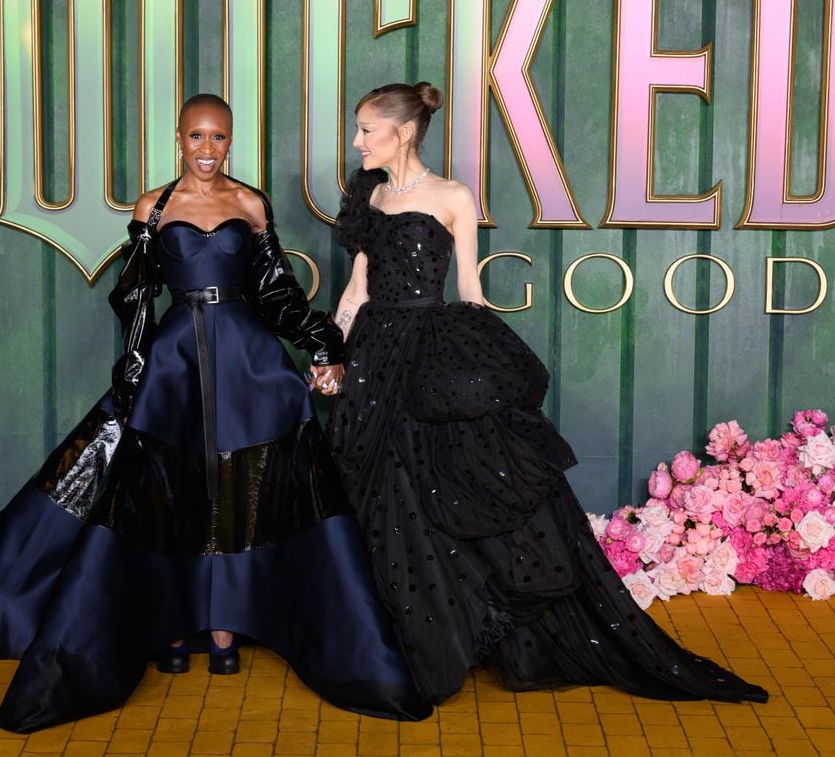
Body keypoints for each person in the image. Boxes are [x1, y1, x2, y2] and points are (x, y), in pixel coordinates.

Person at [0, 93, 431, 732]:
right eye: (197, 137)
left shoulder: (251, 203)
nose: (207, 150)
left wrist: (322, 340)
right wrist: (134, 368)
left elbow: (276, 293)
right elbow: (138, 295)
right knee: (166, 489)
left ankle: (226, 629)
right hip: (174, 361)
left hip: (247, 360)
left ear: (232, 141)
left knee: (242, 484)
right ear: (179, 138)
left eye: (219, 138)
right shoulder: (154, 206)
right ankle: (172, 623)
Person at [328, 81, 768, 706]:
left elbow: (472, 290)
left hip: (429, 356)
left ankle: (460, 634)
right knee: (387, 495)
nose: (356, 141)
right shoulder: (369, 195)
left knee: (452, 485)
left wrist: (483, 367)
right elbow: (356, 290)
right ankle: (409, 638)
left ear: (402, 132)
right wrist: (334, 356)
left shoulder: (452, 195)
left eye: (367, 129)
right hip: (375, 358)